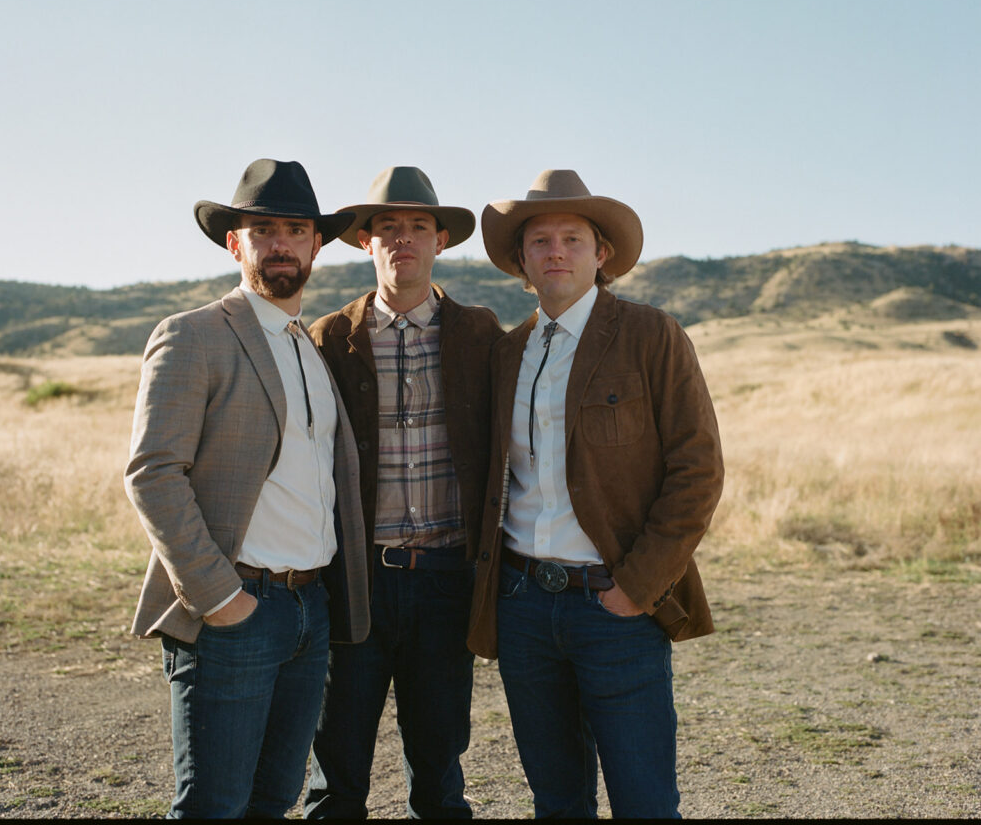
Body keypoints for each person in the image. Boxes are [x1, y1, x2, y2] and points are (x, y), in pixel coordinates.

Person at [467, 169, 724, 819]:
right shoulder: (507, 354)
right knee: (556, 801)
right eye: (541, 240)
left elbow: (697, 471)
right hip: (524, 608)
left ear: (600, 254)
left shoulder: (650, 336)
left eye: (572, 239)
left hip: (615, 607)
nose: (556, 251)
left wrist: (636, 586)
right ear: (522, 259)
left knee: (644, 802)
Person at [124, 158, 370, 819]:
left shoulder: (309, 348)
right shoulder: (194, 335)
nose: (282, 242)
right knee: (214, 806)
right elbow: (152, 473)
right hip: (235, 611)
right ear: (236, 243)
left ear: (317, 245)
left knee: (271, 803)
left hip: (307, 612)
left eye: (297, 229)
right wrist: (220, 599)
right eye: (265, 229)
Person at [303, 167, 503, 819]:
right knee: (336, 779)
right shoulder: (329, 339)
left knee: (440, 776)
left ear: (441, 239)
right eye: (388, 228)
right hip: (355, 581)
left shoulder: (481, 336)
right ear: (367, 242)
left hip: (448, 580)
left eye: (418, 227)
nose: (403, 240)